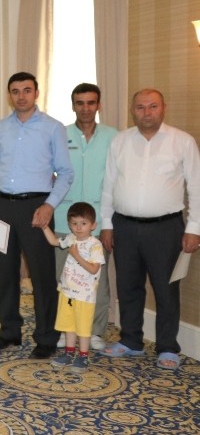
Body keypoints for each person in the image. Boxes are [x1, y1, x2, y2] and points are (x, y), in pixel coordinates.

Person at [100, 89, 200, 371]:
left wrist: (194, 228)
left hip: (165, 229)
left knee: (166, 289)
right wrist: (107, 224)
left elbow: (196, 187)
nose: (147, 112)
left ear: (163, 108)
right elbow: (108, 185)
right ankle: (131, 340)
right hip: (124, 226)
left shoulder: (182, 141)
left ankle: (168, 347)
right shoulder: (120, 141)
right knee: (128, 286)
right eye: (141, 107)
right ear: (133, 110)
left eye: (153, 106)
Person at [0, 72, 74, 359]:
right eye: (15, 91)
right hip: (3, 206)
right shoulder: (2, 127)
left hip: (37, 208)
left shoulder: (53, 128)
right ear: (9, 95)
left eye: (26, 90)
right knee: (6, 273)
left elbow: (66, 173)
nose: (21, 96)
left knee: (42, 276)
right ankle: (9, 331)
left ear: (36, 93)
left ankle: (46, 338)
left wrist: (50, 205)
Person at [53, 83, 117, 351]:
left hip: (98, 223)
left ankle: (96, 331)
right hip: (63, 220)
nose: (86, 108)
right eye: (80, 103)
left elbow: (116, 181)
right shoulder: (60, 134)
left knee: (96, 282)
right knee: (64, 279)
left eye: (91, 102)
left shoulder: (113, 137)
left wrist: (109, 223)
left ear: (98, 105)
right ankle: (65, 329)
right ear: (73, 105)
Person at [43, 202, 105, 373]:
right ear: (69, 224)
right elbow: (54, 241)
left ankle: (83, 356)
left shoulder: (95, 245)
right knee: (69, 325)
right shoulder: (71, 238)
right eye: (74, 223)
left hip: (85, 295)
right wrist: (44, 227)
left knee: (83, 328)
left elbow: (94, 269)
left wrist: (77, 256)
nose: (78, 228)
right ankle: (69, 353)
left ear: (93, 225)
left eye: (83, 223)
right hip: (67, 292)